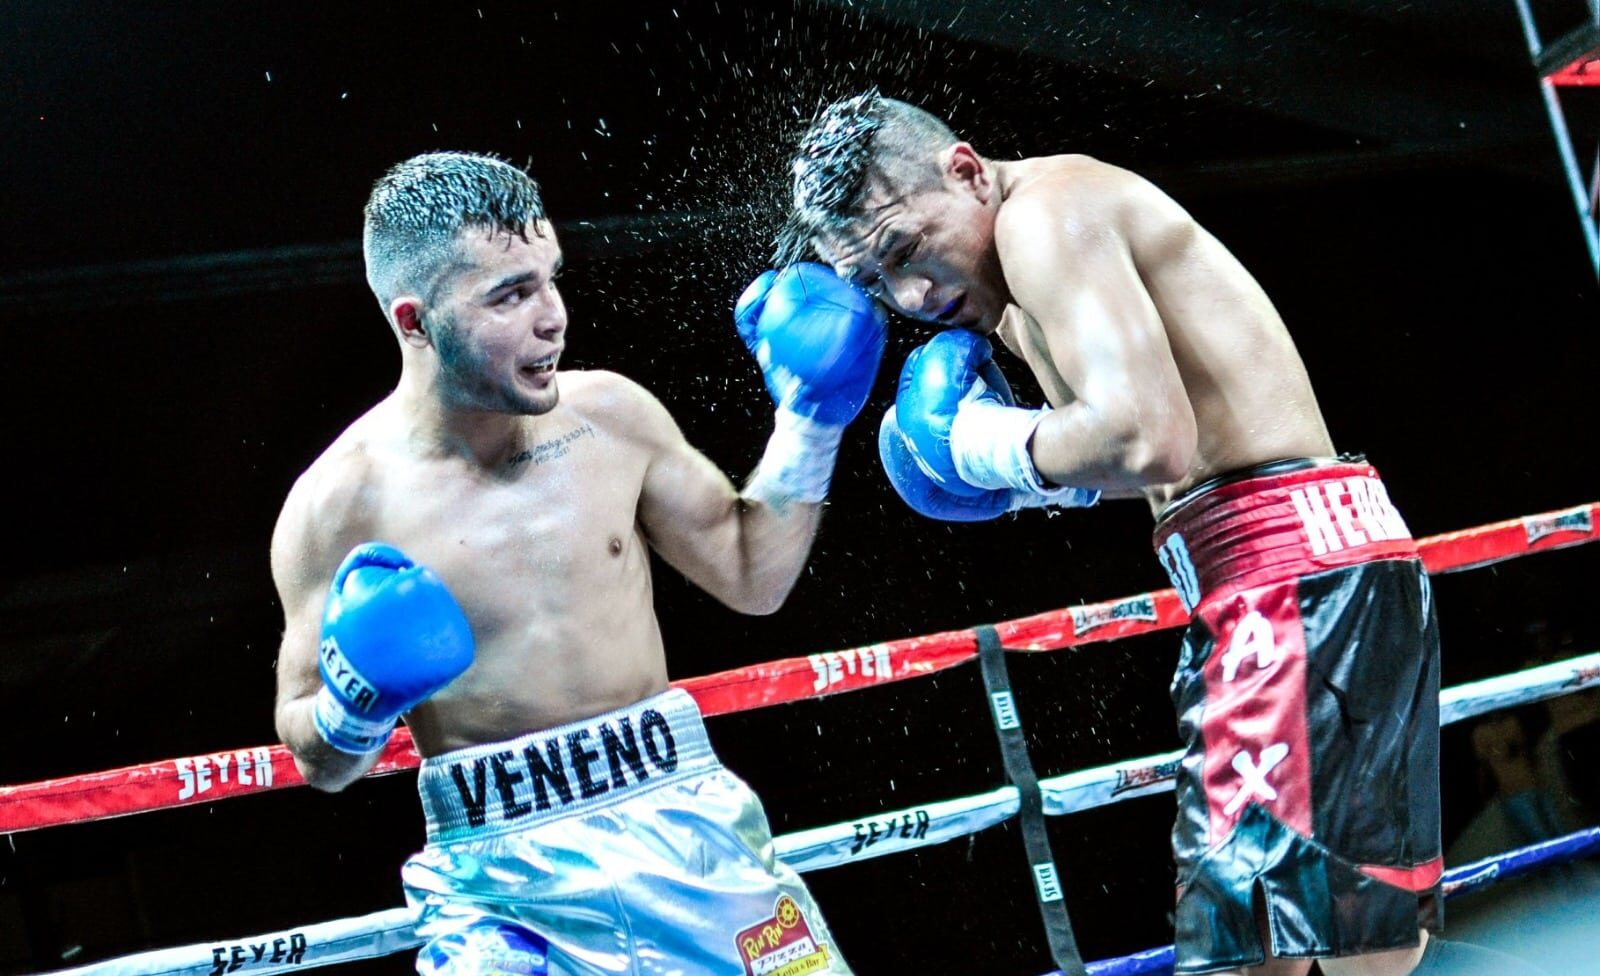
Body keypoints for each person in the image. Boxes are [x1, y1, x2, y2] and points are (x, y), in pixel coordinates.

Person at [771, 90, 1549, 976]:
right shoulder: (1021, 277)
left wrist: (979, 445)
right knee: (1363, 953)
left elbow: (1147, 437)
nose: (912, 295)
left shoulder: (1044, 221)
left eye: (908, 250)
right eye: (876, 284)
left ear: (967, 170)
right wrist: (1022, 481)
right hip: (1312, 566)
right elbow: (1138, 457)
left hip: (1284, 580)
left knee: (1244, 956)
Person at [270, 151, 884, 976]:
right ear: (414, 323)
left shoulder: (610, 417)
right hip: (498, 888)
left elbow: (752, 574)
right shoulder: (339, 505)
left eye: (551, 278)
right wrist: (354, 704)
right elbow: (316, 754)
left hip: (685, 832)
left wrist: (809, 425)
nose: (553, 317)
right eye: (510, 295)